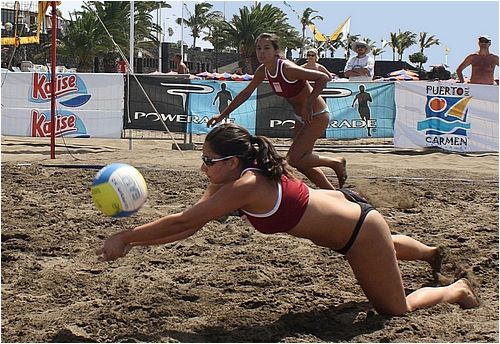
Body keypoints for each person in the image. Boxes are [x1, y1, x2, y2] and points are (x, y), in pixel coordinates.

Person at [97, 123, 480, 316]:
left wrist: (127, 236)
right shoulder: (231, 180)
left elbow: (182, 221)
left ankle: (456, 289)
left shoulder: (244, 185)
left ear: (232, 162)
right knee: (386, 246)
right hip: (350, 221)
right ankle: (432, 254)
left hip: (359, 231)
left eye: (208, 161)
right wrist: (134, 241)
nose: (203, 168)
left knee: (394, 311)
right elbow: (190, 225)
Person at [207, 33, 347, 190]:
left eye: (267, 48)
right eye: (259, 48)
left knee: (294, 159)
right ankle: (334, 193)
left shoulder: (287, 68)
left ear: (276, 51)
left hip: (316, 114)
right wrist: (222, 115)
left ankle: (336, 162)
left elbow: (322, 78)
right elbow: (246, 93)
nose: (262, 52)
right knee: (302, 161)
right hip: (300, 116)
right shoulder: (263, 70)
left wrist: (308, 104)